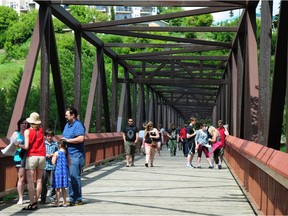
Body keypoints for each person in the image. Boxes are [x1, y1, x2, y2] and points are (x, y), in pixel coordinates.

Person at [16, 112, 46, 211]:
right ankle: (36, 201)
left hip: (32, 156)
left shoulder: (28, 131)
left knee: (30, 181)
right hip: (42, 156)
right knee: (39, 180)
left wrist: (17, 145)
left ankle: (32, 202)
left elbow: (27, 146)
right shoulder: (41, 130)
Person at [62, 107, 85, 206]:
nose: (65, 116)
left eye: (67, 114)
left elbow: (81, 138)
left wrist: (67, 141)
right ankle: (72, 198)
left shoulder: (78, 125)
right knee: (70, 177)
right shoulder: (67, 125)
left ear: (73, 115)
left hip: (75, 155)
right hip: (67, 155)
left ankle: (78, 198)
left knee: (74, 177)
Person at [11, 118, 29, 205]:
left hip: (29, 157)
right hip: (19, 157)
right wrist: (17, 145)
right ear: (19, 124)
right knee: (21, 178)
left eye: (25, 123)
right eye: (22, 123)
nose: (24, 125)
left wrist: (20, 145)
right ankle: (21, 198)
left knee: (29, 178)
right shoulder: (16, 133)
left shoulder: (28, 133)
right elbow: (12, 145)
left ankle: (32, 196)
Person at [40, 129, 58, 204]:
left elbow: (58, 153)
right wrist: (45, 155)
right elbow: (40, 152)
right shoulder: (43, 144)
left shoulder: (55, 144)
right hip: (44, 165)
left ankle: (52, 197)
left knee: (53, 183)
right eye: (48, 136)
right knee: (43, 183)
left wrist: (53, 155)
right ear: (45, 136)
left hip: (53, 166)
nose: (49, 137)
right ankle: (43, 198)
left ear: (52, 136)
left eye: (51, 136)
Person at [52, 139, 70, 207]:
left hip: (58, 172)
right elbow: (69, 163)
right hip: (64, 172)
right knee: (63, 188)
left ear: (59, 145)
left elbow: (53, 162)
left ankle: (58, 202)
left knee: (58, 188)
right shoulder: (66, 153)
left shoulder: (56, 153)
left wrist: (52, 157)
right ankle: (65, 202)